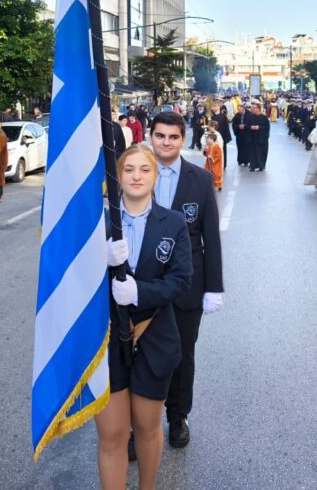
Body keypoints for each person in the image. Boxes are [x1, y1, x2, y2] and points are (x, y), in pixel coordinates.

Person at [98, 143, 191, 490]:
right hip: (106, 343)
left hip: (154, 340)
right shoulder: (98, 225)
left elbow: (181, 280)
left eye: (145, 169)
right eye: (128, 169)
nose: (136, 176)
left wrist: (140, 292)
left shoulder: (174, 223)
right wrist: (99, 259)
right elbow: (72, 282)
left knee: (147, 429)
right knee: (112, 435)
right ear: (117, 177)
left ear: (155, 177)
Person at [147, 112, 223, 452]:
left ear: (182, 138)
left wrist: (213, 288)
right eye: (160, 136)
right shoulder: (134, 172)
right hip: (142, 285)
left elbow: (211, 238)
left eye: (173, 137)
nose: (166, 142)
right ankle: (140, 424)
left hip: (187, 285)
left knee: (181, 356)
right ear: (151, 137)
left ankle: (178, 417)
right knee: (140, 356)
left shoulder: (200, 180)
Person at [247, 102, 271, 172]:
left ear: (258, 109)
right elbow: (247, 126)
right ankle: (253, 166)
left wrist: (259, 127)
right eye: (252, 108)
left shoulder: (264, 118)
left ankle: (261, 166)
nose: (252, 109)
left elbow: (267, 128)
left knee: (261, 153)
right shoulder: (250, 117)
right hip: (252, 138)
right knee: (252, 153)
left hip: (261, 139)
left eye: (254, 108)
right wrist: (251, 127)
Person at [203, 127, 224, 192]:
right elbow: (206, 154)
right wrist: (205, 151)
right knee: (208, 173)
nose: (207, 140)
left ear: (212, 139)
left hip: (215, 164)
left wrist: (212, 158)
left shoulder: (217, 147)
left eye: (208, 139)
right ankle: (210, 185)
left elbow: (218, 156)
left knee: (216, 174)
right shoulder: (209, 146)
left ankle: (218, 185)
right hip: (209, 163)